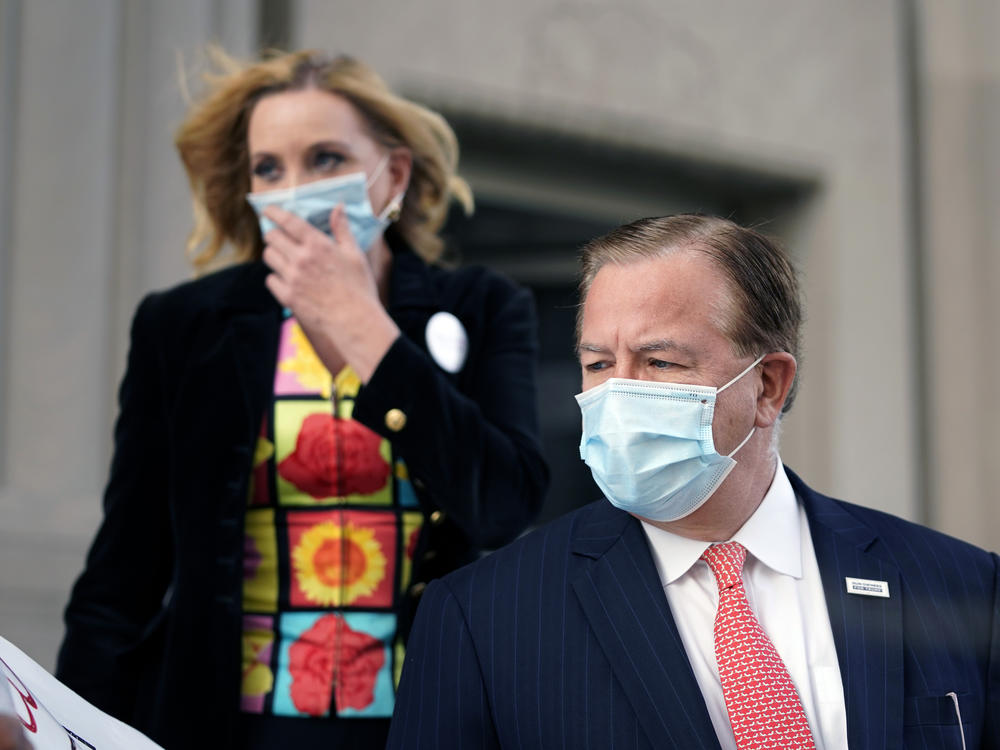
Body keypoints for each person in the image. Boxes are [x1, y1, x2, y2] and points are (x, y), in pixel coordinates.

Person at [55, 48, 548, 750]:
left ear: (393, 174)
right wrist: (76, 729)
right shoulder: (186, 326)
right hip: (229, 726)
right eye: (269, 168)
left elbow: (503, 504)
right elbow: (123, 575)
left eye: (325, 159)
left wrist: (366, 331)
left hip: (425, 720)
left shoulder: (483, 306)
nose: (295, 188)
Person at [388, 214, 1000, 749]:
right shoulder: (481, 617)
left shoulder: (965, 589)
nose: (620, 393)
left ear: (768, 386)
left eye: (661, 361)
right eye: (599, 363)